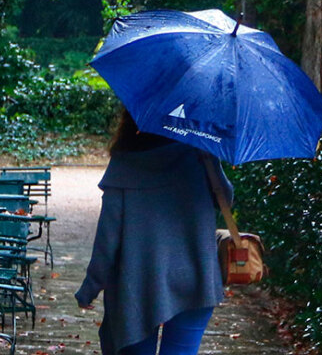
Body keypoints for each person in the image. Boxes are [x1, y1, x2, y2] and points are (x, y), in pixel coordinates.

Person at [75, 109, 233, 355]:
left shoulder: (125, 164)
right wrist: (208, 153)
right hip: (194, 276)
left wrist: (89, 289)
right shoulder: (201, 155)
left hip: (136, 285)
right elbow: (225, 199)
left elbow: (107, 241)